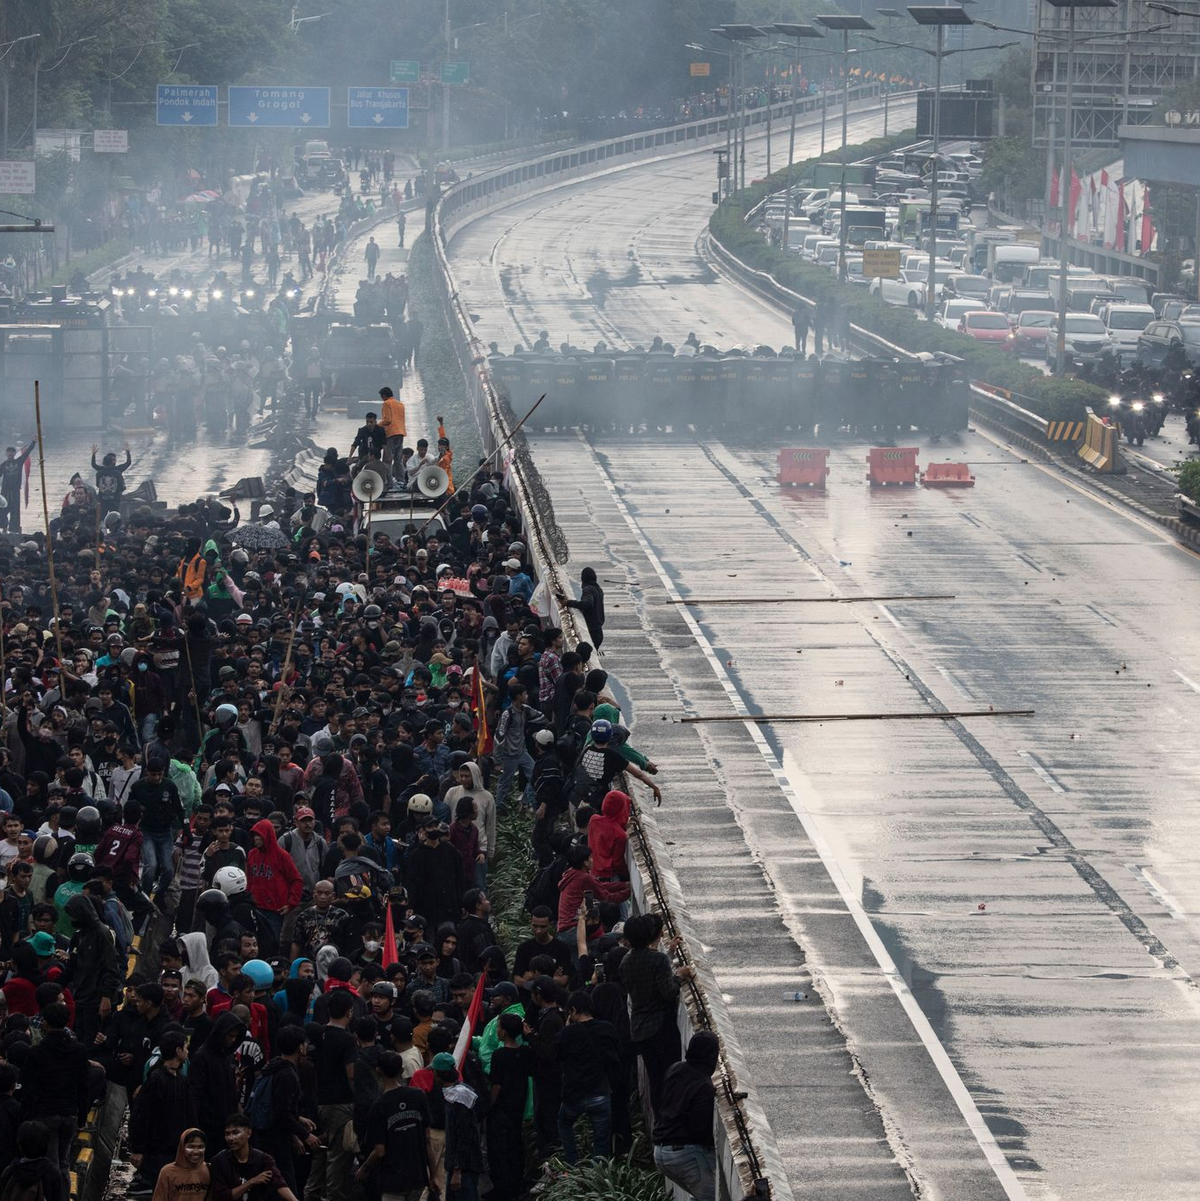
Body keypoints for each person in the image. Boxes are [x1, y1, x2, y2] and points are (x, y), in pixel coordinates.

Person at [619, 912, 694, 1110]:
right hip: (661, 1026)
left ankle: (660, 1124)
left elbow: (649, 974)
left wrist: (668, 954)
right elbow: (668, 992)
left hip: (640, 1028)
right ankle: (671, 1116)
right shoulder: (657, 960)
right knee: (671, 1075)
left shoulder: (626, 961)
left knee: (655, 1077)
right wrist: (679, 975)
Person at [18, 1001, 90, 1197]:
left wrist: (27, 1117)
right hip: (70, 1113)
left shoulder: (36, 1053)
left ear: (46, 1024)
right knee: (64, 1162)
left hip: (46, 1114)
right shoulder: (79, 1050)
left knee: (51, 1163)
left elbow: (29, 1090)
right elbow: (83, 1086)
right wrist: (82, 1117)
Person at [357, 1050, 437, 1201]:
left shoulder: (379, 1106)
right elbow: (427, 1140)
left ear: (378, 1071)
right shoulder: (418, 1096)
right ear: (401, 1070)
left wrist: (365, 1168)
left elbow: (379, 1151)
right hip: (417, 1176)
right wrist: (433, 1175)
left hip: (392, 1179)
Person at [652, 1031, 719, 1201]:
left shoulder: (676, 1069)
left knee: (699, 1195)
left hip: (660, 1151)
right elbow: (700, 1130)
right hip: (684, 1153)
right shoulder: (704, 1086)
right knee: (712, 1197)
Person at [557, 990, 619, 1164]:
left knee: (564, 1123)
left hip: (573, 1095)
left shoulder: (567, 1034)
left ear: (574, 1010)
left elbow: (556, 1057)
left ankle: (571, 1163)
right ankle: (597, 1173)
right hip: (600, 1093)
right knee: (601, 1141)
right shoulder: (607, 1029)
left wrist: (567, 1028)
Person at [211, 1113, 299, 1201]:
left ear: (248, 1133)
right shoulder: (220, 1161)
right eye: (227, 1134)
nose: (231, 1138)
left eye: (236, 1132)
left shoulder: (264, 1159)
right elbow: (221, 1197)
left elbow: (279, 1184)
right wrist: (251, 1182)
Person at [150, 1129, 211, 1201]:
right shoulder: (167, 1172)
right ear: (182, 1147)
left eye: (200, 1147)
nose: (196, 1152)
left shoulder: (209, 1169)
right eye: (191, 1147)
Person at [563, 566, 606, 649]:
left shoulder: (588, 589)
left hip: (591, 631)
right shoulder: (598, 589)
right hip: (598, 631)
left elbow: (587, 603)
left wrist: (568, 603)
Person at [0, 441, 34, 533]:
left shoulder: (19, 462)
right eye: (8, 452)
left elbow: (27, 452)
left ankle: (13, 531)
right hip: (5, 492)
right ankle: (4, 528)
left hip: (15, 491)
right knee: (2, 510)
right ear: (6, 453)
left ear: (14, 453)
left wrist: (33, 441)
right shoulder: (3, 465)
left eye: (12, 451)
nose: (10, 453)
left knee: (15, 512)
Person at [378, 386, 406, 474]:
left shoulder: (386, 403)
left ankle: (387, 481)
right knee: (398, 459)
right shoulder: (400, 404)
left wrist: (377, 425)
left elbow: (387, 420)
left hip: (391, 434)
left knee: (388, 459)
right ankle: (400, 480)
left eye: (382, 397)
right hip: (400, 433)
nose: (382, 400)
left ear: (385, 395)